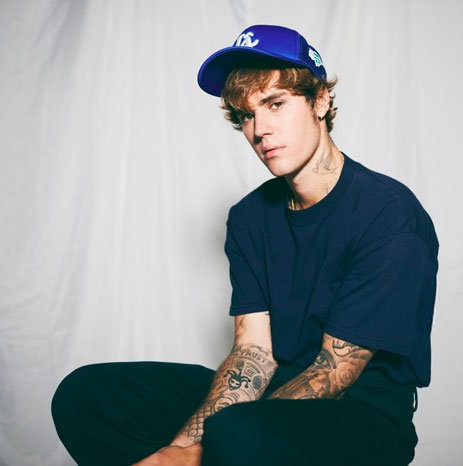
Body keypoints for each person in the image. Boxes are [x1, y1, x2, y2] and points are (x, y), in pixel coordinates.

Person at [51, 24, 438, 466]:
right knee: (87, 394)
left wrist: (200, 453)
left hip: (362, 414)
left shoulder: (388, 215)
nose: (260, 130)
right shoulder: (250, 216)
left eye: (275, 104)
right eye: (246, 115)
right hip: (270, 397)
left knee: (236, 432)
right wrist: (179, 448)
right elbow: (253, 353)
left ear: (320, 101)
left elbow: (335, 372)